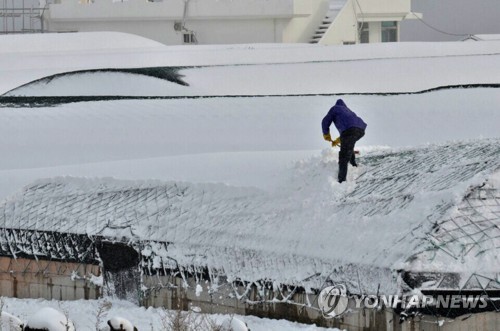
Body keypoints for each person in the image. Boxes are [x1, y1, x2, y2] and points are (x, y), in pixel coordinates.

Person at [321, 99, 367, 183]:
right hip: (361, 130)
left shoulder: (335, 108)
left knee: (343, 156)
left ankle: (341, 181)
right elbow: (348, 132)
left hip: (350, 131)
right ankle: (353, 165)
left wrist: (326, 134)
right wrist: (338, 141)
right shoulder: (348, 111)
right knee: (349, 145)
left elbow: (325, 121)